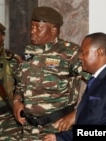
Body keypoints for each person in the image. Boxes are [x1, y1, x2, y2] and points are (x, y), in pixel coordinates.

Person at [12, 6, 90, 140]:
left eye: (38, 28)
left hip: (57, 129)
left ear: (54, 29)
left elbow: (99, 84)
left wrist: (77, 113)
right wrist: (16, 101)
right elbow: (21, 83)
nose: (32, 31)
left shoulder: (70, 53)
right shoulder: (29, 51)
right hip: (29, 130)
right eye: (31, 27)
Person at [43, 32, 106, 141]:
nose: (80, 56)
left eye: (84, 52)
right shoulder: (95, 80)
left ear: (100, 52)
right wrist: (59, 138)